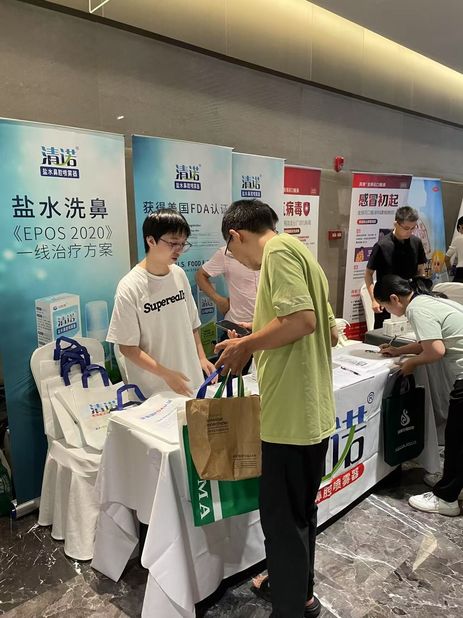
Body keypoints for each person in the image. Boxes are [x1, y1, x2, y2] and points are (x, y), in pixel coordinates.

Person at [215, 199, 338, 618]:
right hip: (311, 412)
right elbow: (325, 328)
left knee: (282, 521)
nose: (238, 260)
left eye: (232, 251)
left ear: (236, 235)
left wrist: (246, 346)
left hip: (288, 416)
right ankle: (300, 594)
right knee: (300, 514)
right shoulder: (301, 251)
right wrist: (256, 329)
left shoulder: (278, 253)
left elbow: (302, 320)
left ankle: (289, 608)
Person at [376, 275, 463, 517]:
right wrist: (399, 351)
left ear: (394, 298)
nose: (389, 312)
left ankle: (446, 498)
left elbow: (435, 351)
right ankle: (456, 485)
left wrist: (411, 363)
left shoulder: (416, 309)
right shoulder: (429, 301)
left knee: (457, 439)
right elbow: (430, 342)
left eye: (385, 307)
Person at [107, 209, 215, 398]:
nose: (179, 249)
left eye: (183, 244)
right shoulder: (130, 286)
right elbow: (127, 348)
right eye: (173, 243)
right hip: (154, 391)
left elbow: (192, 323)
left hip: (190, 379)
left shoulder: (179, 274)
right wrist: (166, 374)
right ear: (151, 240)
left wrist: (201, 357)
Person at [365, 206, 427, 329]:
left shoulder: (416, 242)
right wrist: (374, 299)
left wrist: (421, 292)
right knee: (383, 332)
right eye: (406, 228)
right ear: (396, 224)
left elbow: (420, 270)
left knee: (412, 332)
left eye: (413, 228)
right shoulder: (382, 245)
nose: (410, 232)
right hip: (387, 299)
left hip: (409, 298)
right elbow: (368, 274)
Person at [445, 216, 463, 283]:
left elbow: (446, 258)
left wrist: (450, 270)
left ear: (460, 226)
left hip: (461, 273)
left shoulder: (458, 239)